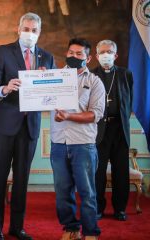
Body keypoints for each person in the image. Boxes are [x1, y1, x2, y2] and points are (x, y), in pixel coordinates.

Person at [0, 12, 56, 240]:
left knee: (22, 179)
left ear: (39, 33)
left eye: (34, 30)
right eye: (26, 29)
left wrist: (47, 83)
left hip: (30, 127)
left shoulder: (47, 57)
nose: (30, 33)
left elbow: (52, 94)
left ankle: (17, 226)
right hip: (3, 125)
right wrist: (5, 89)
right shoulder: (3, 52)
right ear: (18, 29)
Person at [50, 38, 105, 240]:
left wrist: (69, 116)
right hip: (58, 143)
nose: (73, 56)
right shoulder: (53, 77)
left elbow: (95, 114)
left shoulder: (95, 82)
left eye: (79, 54)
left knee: (87, 192)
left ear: (88, 58)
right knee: (63, 192)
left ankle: (91, 232)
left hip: (83, 144)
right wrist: (35, 80)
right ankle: (70, 229)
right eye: (71, 53)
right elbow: (37, 100)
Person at [92, 40, 133, 221]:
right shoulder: (91, 75)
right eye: (102, 52)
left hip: (119, 128)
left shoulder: (125, 74)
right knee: (98, 171)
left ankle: (120, 209)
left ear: (115, 55)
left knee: (121, 171)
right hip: (99, 129)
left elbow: (129, 100)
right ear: (96, 55)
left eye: (109, 51)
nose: (106, 54)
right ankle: (98, 208)